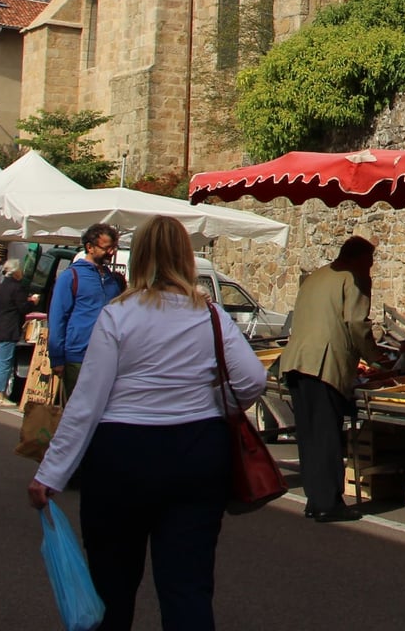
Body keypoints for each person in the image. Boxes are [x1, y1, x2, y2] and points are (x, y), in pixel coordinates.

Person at [29, 215, 267, 631]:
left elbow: (87, 401)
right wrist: (211, 402)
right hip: (196, 449)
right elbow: (252, 379)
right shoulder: (210, 315)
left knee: (112, 586)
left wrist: (51, 472)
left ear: (137, 256)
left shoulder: (118, 314)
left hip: (123, 452)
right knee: (188, 587)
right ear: (186, 257)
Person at [279, 236, 379, 522]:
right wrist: (375, 357)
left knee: (309, 435)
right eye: (370, 261)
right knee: (327, 435)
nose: (371, 267)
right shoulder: (354, 278)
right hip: (324, 364)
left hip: (296, 360)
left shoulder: (315, 277)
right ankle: (328, 503)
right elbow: (356, 323)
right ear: (358, 259)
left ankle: (315, 498)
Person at [49, 224, 125, 397]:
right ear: (90, 247)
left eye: (114, 247)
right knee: (78, 407)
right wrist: (57, 358)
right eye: (106, 248)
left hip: (108, 357)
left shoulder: (114, 280)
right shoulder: (70, 276)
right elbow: (57, 318)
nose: (112, 252)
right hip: (78, 357)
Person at [0, 258, 31, 409]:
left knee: (2, 363)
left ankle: (1, 394)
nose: (22, 273)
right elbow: (23, 307)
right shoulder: (16, 287)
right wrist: (32, 302)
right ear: (16, 272)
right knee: (4, 364)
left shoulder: (1, 287)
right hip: (8, 329)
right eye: (20, 270)